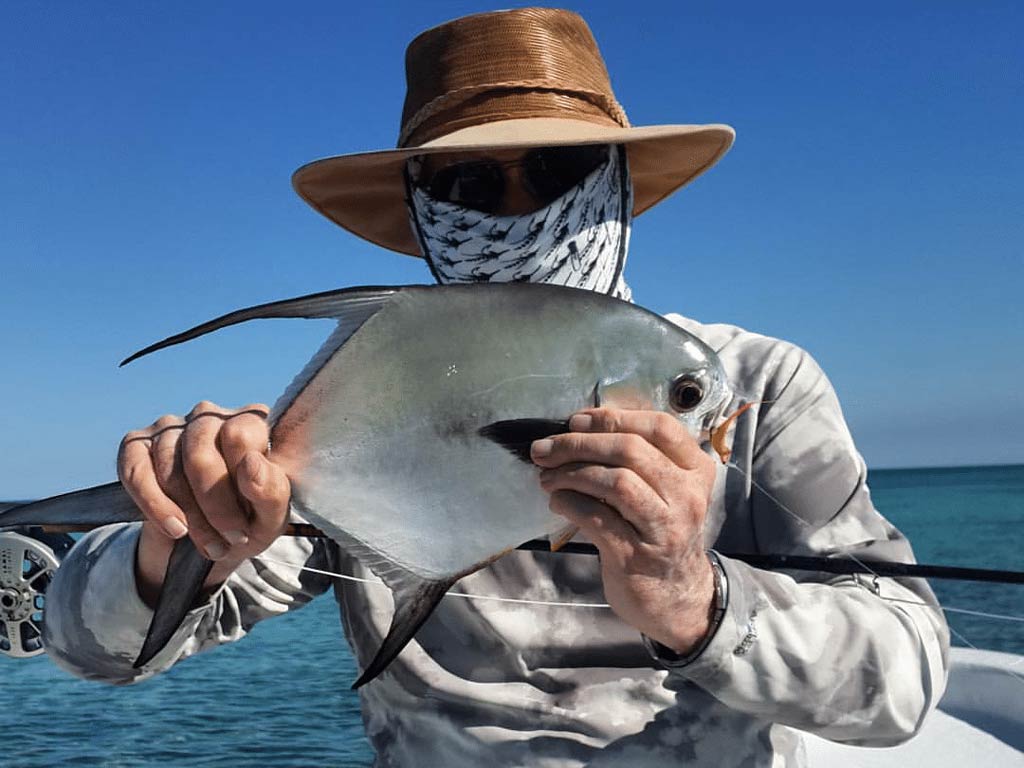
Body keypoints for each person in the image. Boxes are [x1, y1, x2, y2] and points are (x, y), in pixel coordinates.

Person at [43, 8, 949, 766]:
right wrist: (172, 541)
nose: (518, 208)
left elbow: (903, 680)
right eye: (471, 182)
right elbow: (93, 649)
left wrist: (696, 598)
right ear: (422, 212)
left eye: (555, 171)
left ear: (619, 183)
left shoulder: (757, 386)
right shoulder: (373, 397)